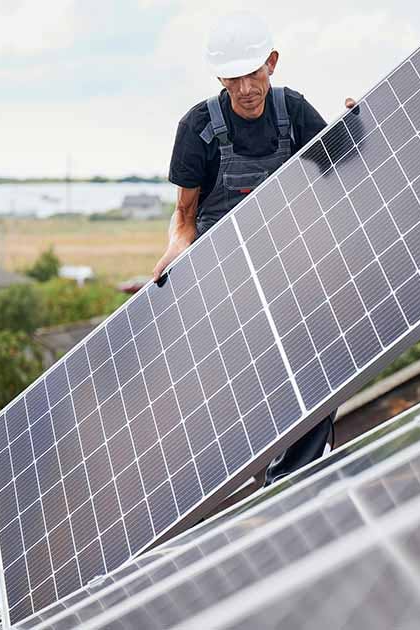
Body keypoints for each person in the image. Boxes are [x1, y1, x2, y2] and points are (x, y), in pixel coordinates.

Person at [154, 12, 347, 485]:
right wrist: (176, 256)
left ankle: (293, 480)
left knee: (323, 365)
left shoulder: (294, 112)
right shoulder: (198, 127)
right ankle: (266, 476)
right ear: (220, 76)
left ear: (272, 64)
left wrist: (353, 123)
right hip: (228, 281)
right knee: (256, 390)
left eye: (253, 73)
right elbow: (184, 218)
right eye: (234, 77)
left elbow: (343, 171)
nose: (245, 88)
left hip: (289, 267)